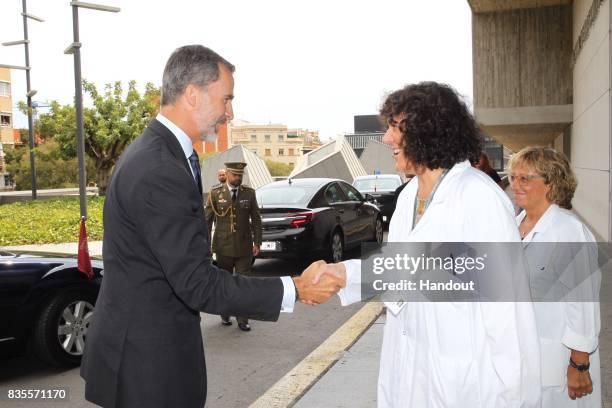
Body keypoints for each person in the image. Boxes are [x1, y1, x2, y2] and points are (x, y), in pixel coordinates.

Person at [80, 45, 341, 408]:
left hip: (143, 355)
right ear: (192, 94)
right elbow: (198, 284)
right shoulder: (159, 168)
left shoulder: (163, 153)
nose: (230, 113)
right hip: (147, 369)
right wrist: (295, 288)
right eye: (226, 99)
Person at [308, 82, 541, 407]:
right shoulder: (409, 199)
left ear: (428, 131)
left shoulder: (478, 199)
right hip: (411, 372)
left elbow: (508, 315)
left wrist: (517, 398)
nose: (387, 138)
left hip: (464, 385)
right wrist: (344, 274)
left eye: (394, 128)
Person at [509, 146, 601, 407]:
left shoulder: (568, 232)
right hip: (521, 356)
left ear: (551, 183)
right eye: (513, 177)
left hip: (558, 364)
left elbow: (583, 302)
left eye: (525, 178)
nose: (515, 184)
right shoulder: (513, 225)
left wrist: (579, 364)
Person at [205, 161, 262, 331]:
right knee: (225, 282)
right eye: (235, 175)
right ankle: (225, 312)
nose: (238, 178)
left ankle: (243, 319)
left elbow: (256, 219)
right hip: (223, 247)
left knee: (244, 282)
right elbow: (206, 222)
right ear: (227, 174)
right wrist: (206, 245)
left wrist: (257, 242)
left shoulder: (249, 194)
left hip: (244, 247)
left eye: (240, 175)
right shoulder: (215, 194)